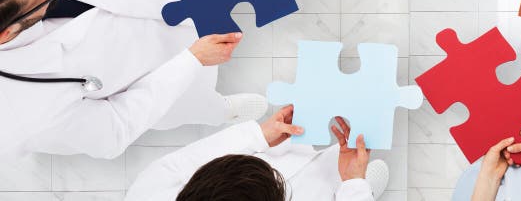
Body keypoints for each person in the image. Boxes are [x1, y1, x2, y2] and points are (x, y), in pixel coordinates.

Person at [0, 0, 267, 158]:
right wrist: (191, 61)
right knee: (193, 102)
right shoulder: (22, 117)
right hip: (151, 80)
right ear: (6, 33)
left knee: (184, 27)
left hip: (152, 15)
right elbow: (115, 129)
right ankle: (220, 110)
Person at [126, 106, 390, 200]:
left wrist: (258, 136)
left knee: (340, 158)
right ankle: (361, 186)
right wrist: (354, 188)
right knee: (345, 180)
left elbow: (182, 163)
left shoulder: (148, 194)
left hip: (279, 156)